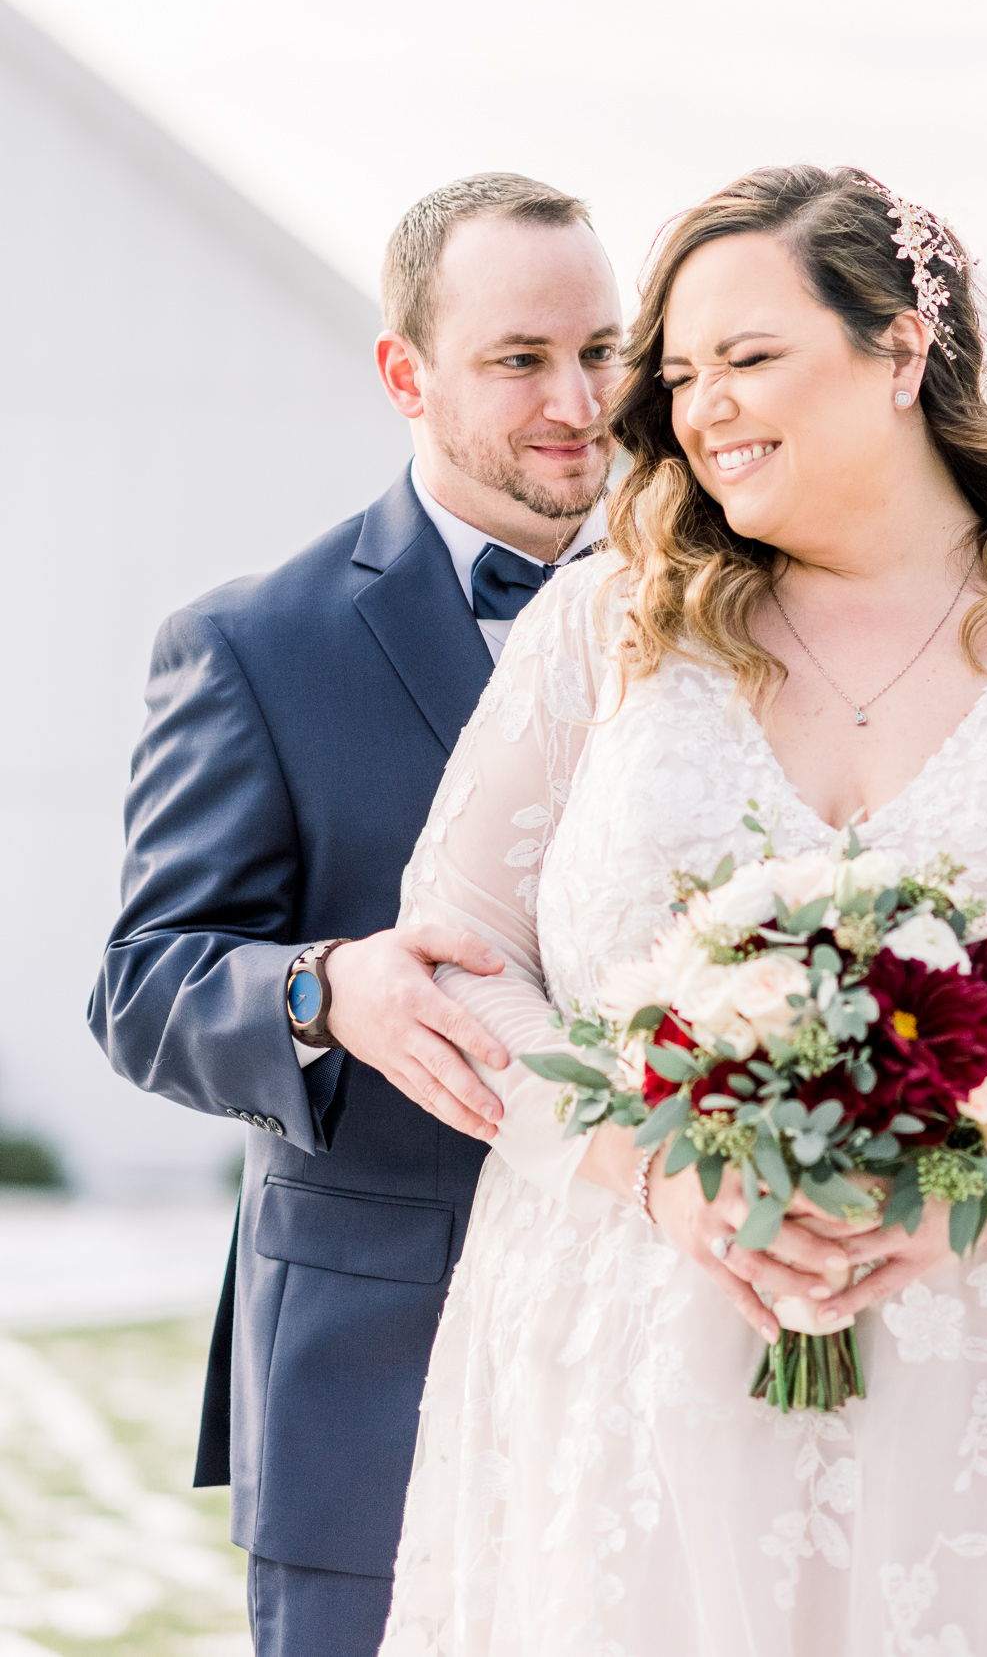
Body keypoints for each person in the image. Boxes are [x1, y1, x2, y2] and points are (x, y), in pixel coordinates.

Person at [378, 165, 987, 1656]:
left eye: (751, 359)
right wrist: (660, 1171)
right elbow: (457, 960)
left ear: (901, 349)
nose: (703, 408)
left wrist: (986, 1192)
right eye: (682, 374)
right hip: (643, 1355)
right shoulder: (607, 628)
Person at [88, 172, 623, 1657]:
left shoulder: (727, 615)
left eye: (602, 349)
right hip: (374, 1370)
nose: (578, 400)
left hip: (664, 1346)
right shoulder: (255, 644)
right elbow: (143, 986)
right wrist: (328, 993)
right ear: (405, 373)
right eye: (520, 359)